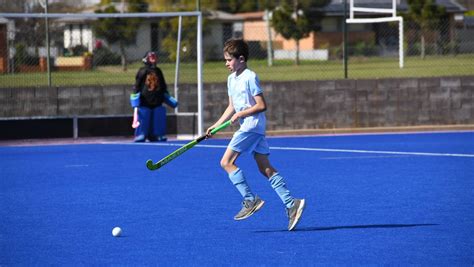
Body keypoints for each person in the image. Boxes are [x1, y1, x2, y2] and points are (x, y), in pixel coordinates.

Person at [206, 39, 305, 231]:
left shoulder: (250, 77)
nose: (226, 63)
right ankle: (291, 203)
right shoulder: (231, 79)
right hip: (252, 128)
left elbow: (261, 105)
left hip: (251, 126)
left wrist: (242, 114)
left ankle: (250, 199)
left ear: (241, 59)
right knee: (264, 168)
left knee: (226, 162)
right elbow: (232, 106)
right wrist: (216, 126)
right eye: (225, 60)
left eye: (229, 60)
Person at [130, 51, 178, 142]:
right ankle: (142, 133)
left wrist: (167, 96)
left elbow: (163, 85)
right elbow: (137, 85)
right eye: (151, 57)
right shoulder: (142, 71)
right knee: (144, 116)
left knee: (158, 116)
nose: (153, 59)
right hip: (145, 101)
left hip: (157, 100)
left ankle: (157, 134)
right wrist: (135, 98)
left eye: (154, 57)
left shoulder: (158, 71)